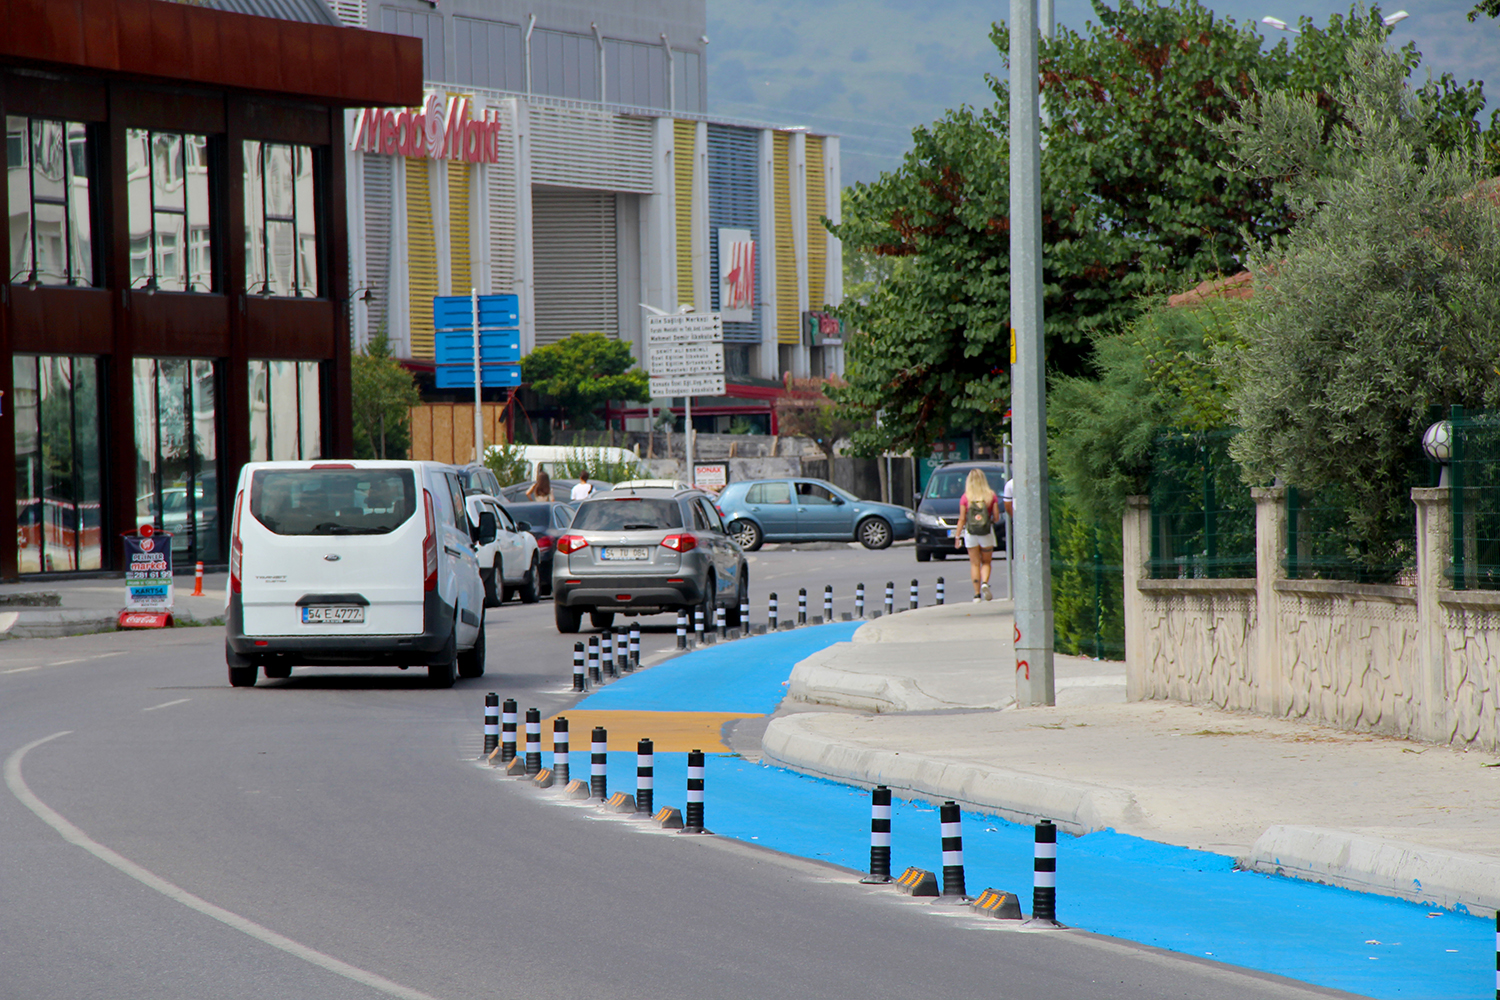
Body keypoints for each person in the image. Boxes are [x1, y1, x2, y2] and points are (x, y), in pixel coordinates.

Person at [954, 468, 1001, 601]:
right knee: (986, 562)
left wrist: (957, 536)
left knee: (974, 563)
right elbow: (996, 517)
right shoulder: (991, 496)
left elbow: (962, 518)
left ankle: (976, 595)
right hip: (986, 532)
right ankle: (985, 583)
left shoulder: (965, 497)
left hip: (971, 533)